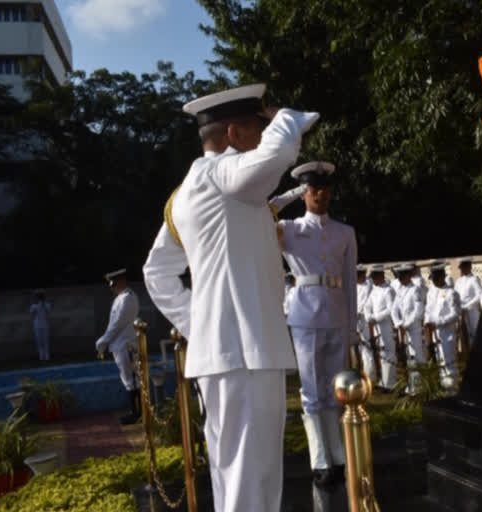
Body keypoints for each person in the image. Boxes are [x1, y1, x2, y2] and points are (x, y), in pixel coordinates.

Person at [143, 83, 319, 512]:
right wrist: (287, 117)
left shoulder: (187, 192)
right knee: (251, 479)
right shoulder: (221, 174)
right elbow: (274, 158)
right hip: (244, 352)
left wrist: (200, 322)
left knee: (235, 478)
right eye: (258, 128)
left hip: (228, 352)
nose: (263, 138)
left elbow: (157, 271)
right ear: (235, 135)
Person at [278, 160, 357, 486]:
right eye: (312, 189)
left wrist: (351, 325)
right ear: (303, 193)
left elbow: (350, 280)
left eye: (323, 189)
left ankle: (339, 456)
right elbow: (261, 215)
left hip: (336, 312)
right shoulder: (289, 229)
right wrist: (289, 194)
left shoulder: (344, 232)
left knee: (335, 389)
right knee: (311, 391)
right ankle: (321, 459)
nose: (319, 195)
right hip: (305, 315)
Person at [95, 269, 141, 425]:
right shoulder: (121, 298)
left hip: (125, 344)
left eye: (113, 284)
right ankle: (136, 412)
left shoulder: (127, 299)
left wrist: (103, 341)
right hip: (120, 344)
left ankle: (137, 413)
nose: (112, 287)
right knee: (129, 379)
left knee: (132, 380)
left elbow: (117, 324)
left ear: (121, 282)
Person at [424, 262, 461, 390]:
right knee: (440, 361)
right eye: (432, 279)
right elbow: (428, 310)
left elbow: (455, 314)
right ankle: (443, 386)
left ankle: (452, 389)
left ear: (442, 276)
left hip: (447, 334)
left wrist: (438, 321)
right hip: (434, 334)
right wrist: (427, 322)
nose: (433, 281)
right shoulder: (431, 292)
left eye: (435, 278)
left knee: (449, 361)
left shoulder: (451, 293)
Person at [391, 263, 425, 394]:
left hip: (414, 329)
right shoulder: (400, 290)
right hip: (403, 329)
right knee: (407, 357)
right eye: (398, 276)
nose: (399, 278)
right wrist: (398, 323)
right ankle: (411, 385)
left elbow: (418, 311)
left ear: (408, 275)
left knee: (416, 356)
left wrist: (406, 324)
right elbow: (394, 309)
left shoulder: (415, 290)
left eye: (401, 275)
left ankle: (419, 386)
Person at [364, 264, 397, 392]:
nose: (373, 280)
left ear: (381, 276)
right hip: (377, 326)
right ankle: (384, 381)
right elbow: (367, 306)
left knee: (389, 353)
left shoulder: (388, 290)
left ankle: (390, 383)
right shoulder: (374, 290)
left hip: (386, 325)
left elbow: (390, 309)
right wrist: (369, 317)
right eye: (372, 278)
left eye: (375, 277)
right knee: (381, 352)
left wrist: (376, 317)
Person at [455, 258, 482, 348]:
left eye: (464, 267)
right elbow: (455, 296)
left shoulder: (474, 279)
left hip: (472, 311)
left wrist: (467, 307)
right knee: (464, 336)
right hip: (461, 312)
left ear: (469, 266)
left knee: (475, 334)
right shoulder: (459, 281)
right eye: (461, 267)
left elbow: (479, 295)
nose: (462, 269)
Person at [355, 265, 373, 379]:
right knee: (361, 348)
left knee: (368, 348)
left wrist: (357, 312)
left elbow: (365, 302)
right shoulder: (356, 285)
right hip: (357, 320)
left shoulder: (368, 285)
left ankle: (370, 376)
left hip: (366, 319)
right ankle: (364, 373)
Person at [29, 289, 52, 361]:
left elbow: (48, 312)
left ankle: (46, 356)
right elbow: (32, 314)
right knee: (39, 340)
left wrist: (43, 303)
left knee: (45, 340)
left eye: (40, 296)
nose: (40, 298)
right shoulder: (34, 306)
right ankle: (41, 356)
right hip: (37, 324)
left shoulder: (47, 305)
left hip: (44, 323)